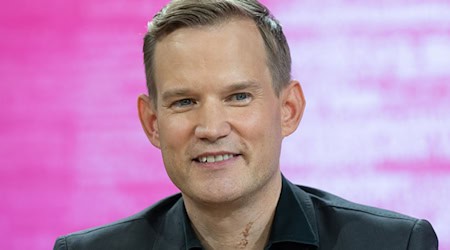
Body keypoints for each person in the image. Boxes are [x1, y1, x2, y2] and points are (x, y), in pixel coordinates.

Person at [53, 0, 438, 249]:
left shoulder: (393, 244)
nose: (211, 127)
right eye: (185, 102)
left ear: (288, 109)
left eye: (238, 96)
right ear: (152, 122)